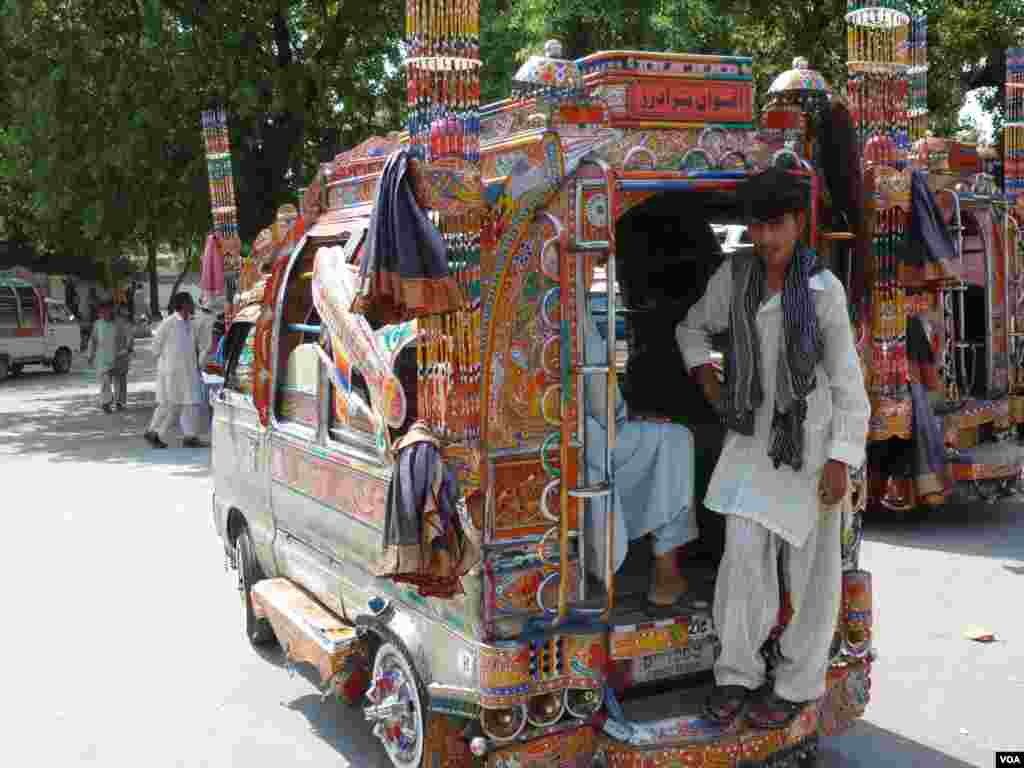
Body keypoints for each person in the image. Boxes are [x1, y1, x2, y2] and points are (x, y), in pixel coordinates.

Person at [677, 168, 870, 729]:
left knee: (813, 574)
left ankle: (796, 684)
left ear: (798, 223)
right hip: (749, 443)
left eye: (776, 226)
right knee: (742, 559)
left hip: (812, 447)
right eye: (756, 227)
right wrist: (709, 382)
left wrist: (840, 458)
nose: (765, 239)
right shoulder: (733, 276)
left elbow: (846, 381)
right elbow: (690, 330)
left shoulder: (823, 290)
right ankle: (736, 674)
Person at [582, 256, 697, 612]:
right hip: (583, 437)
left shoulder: (569, 303)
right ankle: (666, 568)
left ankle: (663, 568)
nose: (595, 268)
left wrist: (628, 417)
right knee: (677, 440)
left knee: (666, 437)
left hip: (587, 431)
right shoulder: (564, 305)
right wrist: (623, 418)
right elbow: (596, 395)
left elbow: (595, 389)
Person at [145, 292, 206, 449]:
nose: (193, 305)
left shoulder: (192, 323)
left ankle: (190, 436)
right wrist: (166, 368)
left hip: (189, 370)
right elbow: (155, 349)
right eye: (190, 302)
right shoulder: (168, 323)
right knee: (170, 404)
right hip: (171, 373)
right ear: (183, 304)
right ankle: (153, 432)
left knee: (190, 403)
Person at [87, 301, 129, 413]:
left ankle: (120, 402)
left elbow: (128, 337)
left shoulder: (120, 323)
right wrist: (90, 354)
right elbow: (93, 340)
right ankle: (106, 402)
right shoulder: (97, 324)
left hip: (119, 356)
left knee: (120, 381)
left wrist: (127, 349)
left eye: (106, 310)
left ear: (111, 310)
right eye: (101, 311)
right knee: (105, 381)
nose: (103, 313)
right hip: (103, 358)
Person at [111, 303, 135, 410]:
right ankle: (120, 401)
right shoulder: (126, 324)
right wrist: (127, 350)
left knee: (117, 379)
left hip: (115, 354)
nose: (127, 312)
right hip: (122, 355)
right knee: (121, 379)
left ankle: (117, 401)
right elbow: (130, 340)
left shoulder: (112, 323)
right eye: (125, 310)